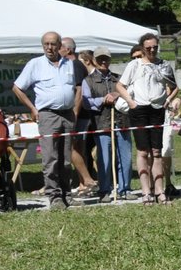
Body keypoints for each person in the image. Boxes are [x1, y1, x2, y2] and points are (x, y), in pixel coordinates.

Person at [12, 32, 82, 210]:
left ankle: (67, 193)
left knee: (66, 158)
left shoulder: (69, 64)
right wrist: (33, 109)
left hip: (67, 114)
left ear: (60, 46)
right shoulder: (35, 64)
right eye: (46, 44)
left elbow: (75, 88)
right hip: (48, 115)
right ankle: (54, 196)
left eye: (53, 44)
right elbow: (17, 88)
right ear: (42, 46)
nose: (49, 48)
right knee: (50, 157)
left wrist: (74, 109)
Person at [115, 32, 178, 203]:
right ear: (143, 48)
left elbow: (174, 87)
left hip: (157, 109)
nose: (152, 50)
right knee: (143, 151)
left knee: (157, 151)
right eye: (148, 47)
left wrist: (168, 101)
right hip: (139, 110)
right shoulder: (134, 65)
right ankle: (145, 192)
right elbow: (120, 85)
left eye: (155, 47)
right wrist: (131, 102)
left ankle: (159, 190)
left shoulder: (164, 65)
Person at [81, 47, 131, 200]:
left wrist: (117, 93)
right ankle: (104, 190)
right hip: (101, 124)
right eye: (100, 58)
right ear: (94, 61)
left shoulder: (119, 79)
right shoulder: (88, 81)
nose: (104, 61)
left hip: (121, 122)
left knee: (126, 158)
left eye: (106, 58)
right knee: (104, 159)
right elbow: (86, 102)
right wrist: (103, 99)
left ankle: (125, 189)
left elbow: (130, 93)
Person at [57, 37, 98, 196]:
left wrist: (74, 113)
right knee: (79, 148)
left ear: (68, 50)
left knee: (72, 147)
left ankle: (87, 179)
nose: (57, 49)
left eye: (60, 47)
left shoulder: (75, 65)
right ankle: (83, 184)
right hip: (79, 114)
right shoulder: (72, 65)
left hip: (78, 114)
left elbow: (79, 91)